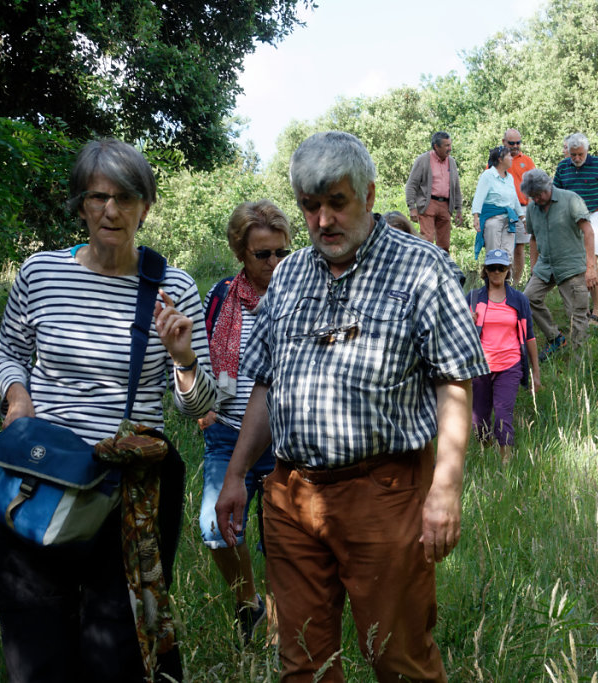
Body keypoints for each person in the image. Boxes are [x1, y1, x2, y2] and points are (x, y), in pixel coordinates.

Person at [215, 131, 488, 682]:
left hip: (385, 495)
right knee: (302, 665)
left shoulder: (422, 269)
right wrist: (237, 474)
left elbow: (454, 383)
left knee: (398, 657)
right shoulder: (288, 275)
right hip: (291, 497)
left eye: (336, 202)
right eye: (310, 207)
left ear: (367, 193)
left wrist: (445, 489)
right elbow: (266, 383)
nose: (322, 221)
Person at [0, 138, 227, 682]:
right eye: (97, 197)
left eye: (125, 197)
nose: (111, 211)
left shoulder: (172, 287)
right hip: (38, 481)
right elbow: (9, 353)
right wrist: (17, 399)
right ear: (80, 204)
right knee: (34, 645)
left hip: (125, 497)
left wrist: (184, 358)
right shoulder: (41, 274)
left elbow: (198, 406)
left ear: (145, 205)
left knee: (117, 653)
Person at [197, 200, 293, 645]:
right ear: (241, 253)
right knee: (216, 530)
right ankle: (248, 603)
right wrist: (203, 407)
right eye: (263, 255)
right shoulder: (221, 296)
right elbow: (197, 354)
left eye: (281, 253)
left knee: (281, 542)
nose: (274, 262)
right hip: (227, 435)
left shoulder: (300, 297)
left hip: (285, 441)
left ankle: (275, 627)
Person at [468, 249, 541, 462]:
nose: (497, 272)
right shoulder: (473, 298)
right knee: (479, 420)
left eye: (501, 268)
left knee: (502, 415)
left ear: (508, 270)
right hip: (480, 367)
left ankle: (505, 464)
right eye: (492, 268)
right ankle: (485, 450)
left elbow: (529, 337)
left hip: (510, 366)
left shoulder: (519, 300)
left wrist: (536, 372)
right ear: (485, 271)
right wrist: (467, 320)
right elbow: (455, 328)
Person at [520, 169, 598, 359]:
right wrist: (533, 268)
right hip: (545, 266)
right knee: (528, 298)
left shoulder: (570, 199)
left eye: (539, 195)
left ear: (549, 186)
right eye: (533, 196)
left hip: (571, 266)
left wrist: (591, 268)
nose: (537, 199)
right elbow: (533, 239)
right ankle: (556, 339)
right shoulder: (532, 208)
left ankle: (580, 360)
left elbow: (588, 232)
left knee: (576, 313)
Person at [553, 133, 598, 325]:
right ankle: (581, 310)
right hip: (569, 218)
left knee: (591, 263)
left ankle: (596, 310)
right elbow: (556, 196)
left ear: (586, 151)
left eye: (580, 154)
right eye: (573, 155)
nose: (577, 159)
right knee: (574, 264)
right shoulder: (562, 167)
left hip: (593, 215)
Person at [405, 131, 464, 251]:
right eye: (446, 146)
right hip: (428, 203)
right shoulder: (423, 160)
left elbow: (456, 186)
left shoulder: (451, 162)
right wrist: (412, 207)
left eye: (450, 144)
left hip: (446, 205)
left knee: (444, 245)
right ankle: (425, 268)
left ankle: (441, 268)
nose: (450, 148)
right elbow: (412, 185)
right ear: (436, 146)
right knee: (427, 240)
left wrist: (459, 209)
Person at [472, 145, 524, 260]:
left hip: (509, 219)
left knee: (508, 255)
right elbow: (479, 197)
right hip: (493, 219)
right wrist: (476, 217)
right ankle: (491, 278)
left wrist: (523, 218)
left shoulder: (509, 177)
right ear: (500, 159)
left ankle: (506, 278)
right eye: (509, 156)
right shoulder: (488, 175)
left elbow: (514, 198)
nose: (511, 158)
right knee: (493, 254)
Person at [502, 128, 536, 283]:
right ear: (504, 142)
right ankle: (503, 280)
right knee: (504, 246)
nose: (515, 146)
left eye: (518, 143)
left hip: (524, 208)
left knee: (519, 247)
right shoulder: (497, 160)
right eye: (511, 143)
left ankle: (516, 283)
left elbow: (535, 185)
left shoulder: (527, 161)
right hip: (504, 209)